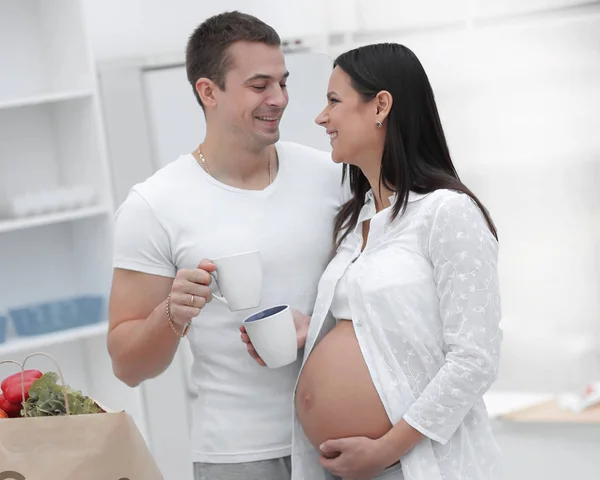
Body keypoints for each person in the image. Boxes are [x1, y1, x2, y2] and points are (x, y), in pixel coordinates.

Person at [243, 43, 503, 480]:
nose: (320, 118)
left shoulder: (446, 212)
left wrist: (386, 450)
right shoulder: (358, 218)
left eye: (333, 101)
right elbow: (378, 325)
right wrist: (312, 328)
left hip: (411, 464)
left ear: (381, 105)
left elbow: (475, 360)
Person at [107, 11, 346, 480]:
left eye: (283, 82)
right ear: (208, 91)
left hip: (345, 436)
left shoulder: (332, 175)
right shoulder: (154, 205)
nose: (278, 99)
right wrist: (171, 313)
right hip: (239, 455)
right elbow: (128, 367)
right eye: (260, 86)